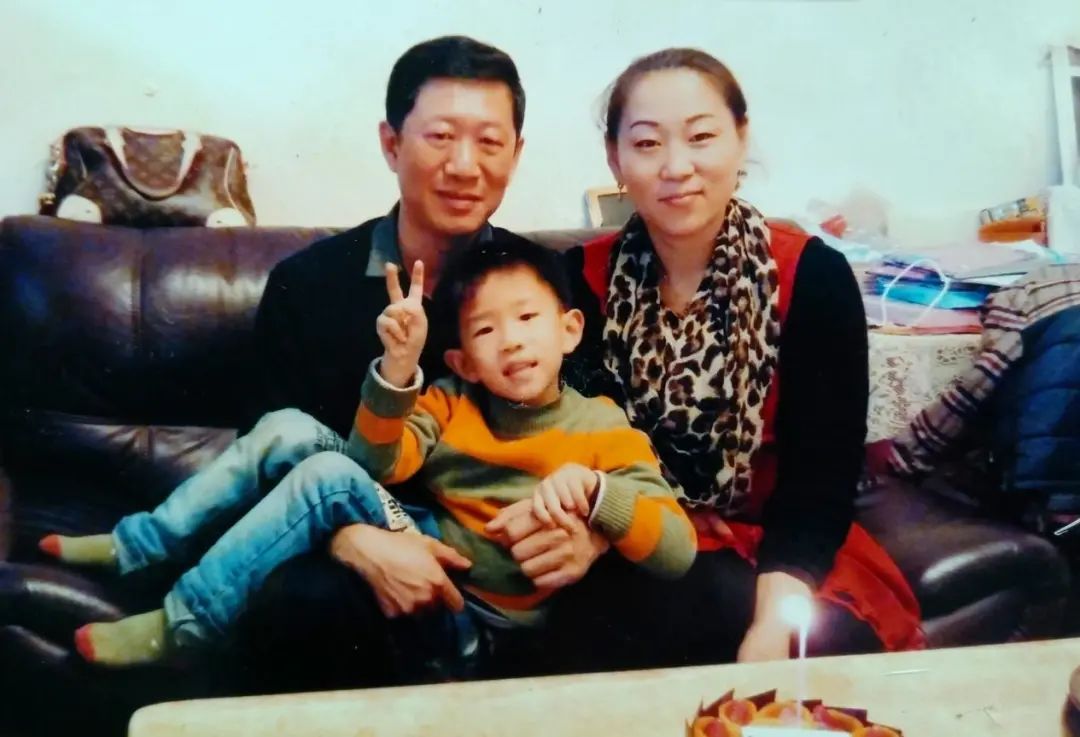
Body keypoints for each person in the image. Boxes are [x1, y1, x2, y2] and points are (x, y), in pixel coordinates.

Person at [39, 237, 694, 669]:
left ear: (570, 329)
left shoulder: (599, 425)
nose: (512, 341)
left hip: (470, 617)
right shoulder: (449, 399)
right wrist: (398, 370)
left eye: (527, 319)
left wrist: (599, 495)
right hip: (421, 538)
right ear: (463, 359)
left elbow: (677, 548)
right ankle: (139, 543)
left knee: (326, 473)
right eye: (486, 329)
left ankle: (186, 623)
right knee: (286, 428)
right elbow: (377, 467)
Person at [209, 35, 612, 690]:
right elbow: (262, 458)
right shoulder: (307, 285)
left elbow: (608, 434)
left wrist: (592, 534)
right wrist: (350, 541)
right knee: (306, 599)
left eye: (489, 142)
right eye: (440, 137)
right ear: (391, 144)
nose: (464, 165)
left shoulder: (550, 283)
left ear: (516, 154)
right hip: (361, 557)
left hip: (515, 569)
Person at [524, 48, 925, 668]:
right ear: (615, 160)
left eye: (701, 137)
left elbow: (819, 481)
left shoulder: (812, 276)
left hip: (782, 552)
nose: (676, 167)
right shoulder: (578, 282)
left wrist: (772, 624)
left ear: (741, 140)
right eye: (647, 143)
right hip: (637, 535)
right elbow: (569, 444)